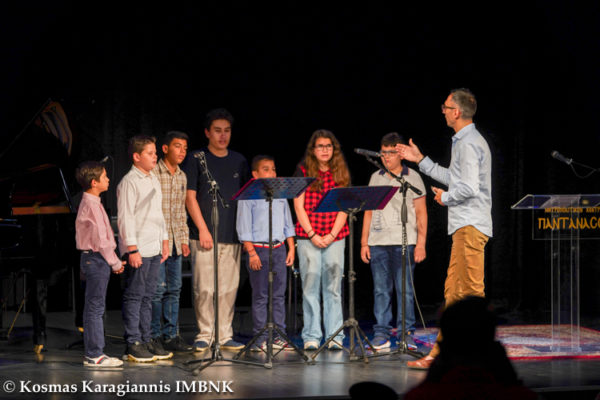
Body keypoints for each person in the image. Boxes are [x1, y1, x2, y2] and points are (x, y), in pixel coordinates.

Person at [399, 88, 492, 369]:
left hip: (470, 224)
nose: (443, 111)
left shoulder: (469, 142)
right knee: (453, 292)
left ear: (457, 112)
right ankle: (442, 353)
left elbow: (468, 188)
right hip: (464, 226)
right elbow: (455, 177)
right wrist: (421, 160)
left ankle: (478, 354)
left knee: (471, 291)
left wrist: (445, 198)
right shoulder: (464, 141)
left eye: (446, 107)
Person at [183, 108, 249, 352]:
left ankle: (224, 334)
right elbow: (190, 197)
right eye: (218, 131)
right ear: (207, 133)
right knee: (204, 288)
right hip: (204, 234)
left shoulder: (239, 160)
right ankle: (205, 333)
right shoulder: (196, 158)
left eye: (227, 131)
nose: (223, 136)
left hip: (232, 233)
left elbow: (245, 199)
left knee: (228, 288)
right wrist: (203, 228)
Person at [360, 132, 427, 350]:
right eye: (383, 153)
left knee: (404, 290)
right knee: (381, 290)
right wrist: (364, 242)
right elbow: (368, 212)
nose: (386, 157)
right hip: (378, 242)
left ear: (400, 154)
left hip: (404, 242)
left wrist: (421, 243)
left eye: (390, 153)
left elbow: (421, 212)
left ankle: (406, 333)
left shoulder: (412, 177)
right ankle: (382, 334)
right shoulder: (375, 177)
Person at [404, 297, 537, 400]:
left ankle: (460, 334)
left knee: (468, 285)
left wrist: (432, 377)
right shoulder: (520, 396)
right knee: (454, 287)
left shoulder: (421, 396)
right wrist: (511, 378)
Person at [293, 129, 350, 350]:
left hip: (335, 235)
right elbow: (298, 206)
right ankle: (312, 335)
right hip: (308, 235)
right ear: (313, 150)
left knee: (333, 287)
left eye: (328, 146)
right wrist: (313, 234)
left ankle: (335, 336)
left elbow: (344, 207)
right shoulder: (303, 170)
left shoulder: (340, 170)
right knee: (310, 286)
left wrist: (332, 235)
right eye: (320, 146)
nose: (325, 150)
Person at [117, 135, 171, 362]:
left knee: (148, 296)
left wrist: (165, 240)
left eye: (155, 152)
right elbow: (125, 217)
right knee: (135, 296)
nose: (155, 156)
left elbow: (159, 213)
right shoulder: (129, 182)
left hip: (154, 246)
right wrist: (132, 249)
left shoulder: (153, 179)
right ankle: (133, 341)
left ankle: (146, 338)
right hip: (138, 248)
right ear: (137, 156)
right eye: (150, 153)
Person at [236, 155, 296, 351]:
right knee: (261, 296)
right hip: (259, 250)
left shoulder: (279, 194)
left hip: (279, 249)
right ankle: (260, 338)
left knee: (278, 295)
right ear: (255, 174)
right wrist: (251, 252)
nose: (272, 173)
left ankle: (279, 336)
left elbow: (287, 223)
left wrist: (291, 247)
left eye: (273, 169)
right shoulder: (248, 195)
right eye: (266, 169)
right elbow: (243, 226)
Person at [75, 161, 125, 367]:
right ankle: (94, 354)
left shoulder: (94, 202)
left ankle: (94, 352)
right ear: (94, 182)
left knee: (95, 306)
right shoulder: (91, 205)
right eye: (104, 177)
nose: (108, 179)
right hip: (96, 259)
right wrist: (115, 262)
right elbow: (101, 240)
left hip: (96, 259)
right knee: (95, 307)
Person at [150, 131, 192, 352]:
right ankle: (154, 336)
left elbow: (180, 211)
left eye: (185, 148)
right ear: (165, 149)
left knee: (174, 289)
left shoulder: (182, 176)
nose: (182, 151)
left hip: (176, 241)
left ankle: (171, 335)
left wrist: (183, 239)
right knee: (157, 290)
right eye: (177, 146)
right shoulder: (153, 173)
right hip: (157, 241)